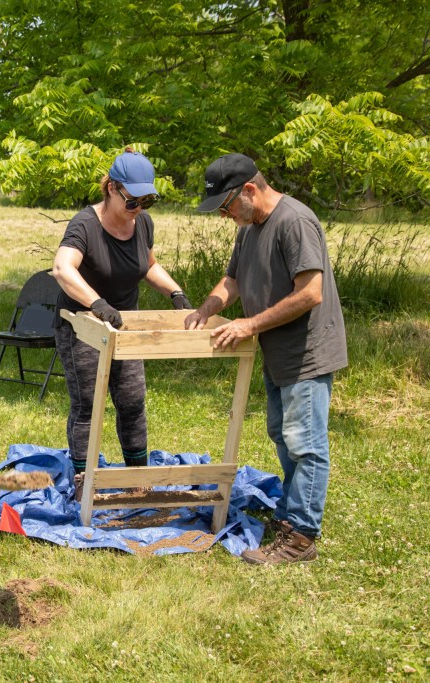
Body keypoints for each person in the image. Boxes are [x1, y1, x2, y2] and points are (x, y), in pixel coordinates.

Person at [186, 153, 348, 565]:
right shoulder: (250, 226)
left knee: (305, 443)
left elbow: (311, 292)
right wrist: (208, 308)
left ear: (250, 190)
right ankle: (290, 517)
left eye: (226, 207)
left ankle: (302, 537)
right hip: (277, 351)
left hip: (307, 352)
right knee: (283, 435)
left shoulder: (294, 221)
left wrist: (249, 325)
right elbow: (233, 280)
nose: (225, 217)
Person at [52, 150, 193, 498]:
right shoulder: (85, 225)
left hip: (124, 326)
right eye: (133, 201)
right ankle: (86, 478)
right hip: (82, 325)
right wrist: (97, 303)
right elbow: (62, 269)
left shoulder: (142, 223)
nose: (140, 208)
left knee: (132, 400)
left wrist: (175, 292)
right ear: (112, 188)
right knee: (88, 402)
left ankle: (136, 476)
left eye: (148, 201)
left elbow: (147, 265)